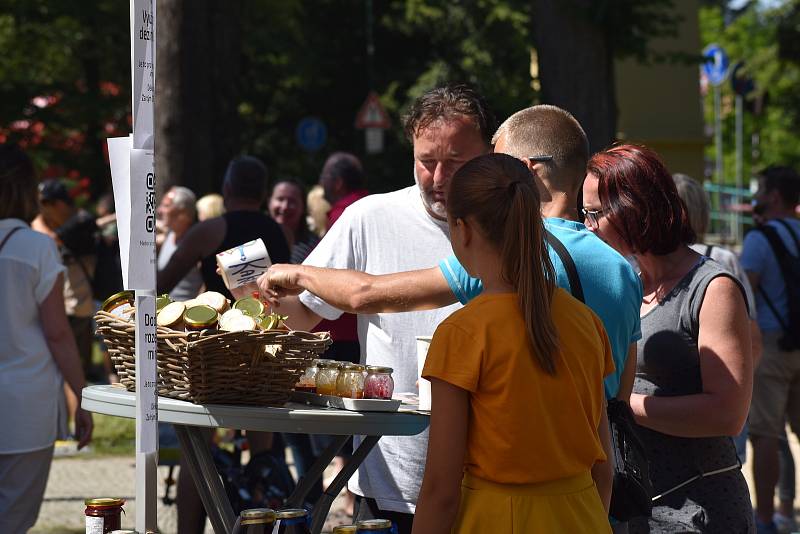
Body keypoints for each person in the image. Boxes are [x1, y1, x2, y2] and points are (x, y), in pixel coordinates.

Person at [261, 105, 642, 404]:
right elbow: (619, 395)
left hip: (517, 482)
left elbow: (367, 295)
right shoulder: (622, 269)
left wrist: (300, 275)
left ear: (526, 170)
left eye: (497, 165)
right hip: (592, 488)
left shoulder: (511, 253)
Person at [259, 85, 493, 532]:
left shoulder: (510, 230)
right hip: (389, 480)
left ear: (490, 154)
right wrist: (252, 296)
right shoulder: (370, 218)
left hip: (490, 484)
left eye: (456, 163)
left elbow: (362, 294)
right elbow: (301, 318)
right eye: (427, 161)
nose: (439, 177)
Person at [412, 152, 612, 533]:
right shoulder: (587, 323)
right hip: (582, 514)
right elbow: (604, 469)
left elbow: (441, 489)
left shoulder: (462, 333)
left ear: (463, 229)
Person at [583, 144, 753, 533]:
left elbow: (728, 413)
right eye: (585, 213)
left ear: (634, 207)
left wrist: (620, 404)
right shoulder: (626, 282)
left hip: (700, 506)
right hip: (637, 505)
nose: (588, 226)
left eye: (596, 213)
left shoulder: (711, 287)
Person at [156, 156, 290, 534]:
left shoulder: (211, 229)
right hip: (263, 348)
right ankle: (258, 526)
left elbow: (163, 281)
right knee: (262, 449)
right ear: (263, 193)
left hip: (214, 351)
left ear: (227, 190)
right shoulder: (278, 232)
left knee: (196, 448)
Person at [0, 144, 93, 532]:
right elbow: (57, 333)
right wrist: (81, 398)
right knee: (13, 519)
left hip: (25, 400)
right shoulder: (37, 247)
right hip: (25, 404)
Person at [672, 172, 764, 463]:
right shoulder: (722, 260)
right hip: (720, 398)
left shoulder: (648, 263)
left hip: (674, 399)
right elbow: (752, 336)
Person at [740, 165, 800, 534]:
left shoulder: (759, 240)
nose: (756, 196)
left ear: (774, 196)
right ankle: (786, 506)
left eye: (761, 190)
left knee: (766, 434)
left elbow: (744, 293)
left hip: (774, 346)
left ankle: (766, 519)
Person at [157, 156, 290, 301]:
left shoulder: (207, 231)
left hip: (219, 321)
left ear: (226, 189)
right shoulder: (284, 232)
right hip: (272, 321)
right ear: (264, 194)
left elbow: (161, 285)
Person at [32, 179, 98, 381]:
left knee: (68, 366)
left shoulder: (81, 221)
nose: (43, 211)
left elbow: (46, 238)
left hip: (76, 306)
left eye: (44, 205)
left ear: (58, 204)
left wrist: (37, 220)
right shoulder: (73, 221)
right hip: (73, 304)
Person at [156, 186, 202, 301]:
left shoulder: (198, 242)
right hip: (163, 312)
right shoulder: (170, 234)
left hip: (185, 315)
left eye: (166, 206)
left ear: (183, 213)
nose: (159, 210)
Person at [268, 178, 320, 264]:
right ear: (269, 202)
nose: (285, 207)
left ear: (303, 207)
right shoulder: (255, 240)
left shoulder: (316, 247)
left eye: (292, 201)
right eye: (280, 199)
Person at [319, 152, 369, 227]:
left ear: (338, 183)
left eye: (324, 177)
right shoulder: (372, 207)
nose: (320, 183)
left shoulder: (341, 216)